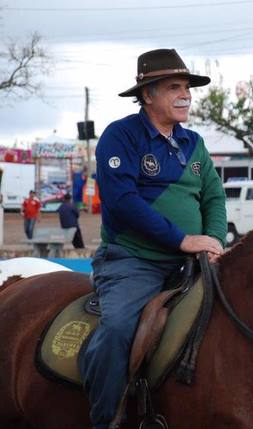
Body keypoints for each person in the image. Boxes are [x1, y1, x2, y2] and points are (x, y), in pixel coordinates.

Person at [78, 48, 227, 429]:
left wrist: (211, 240)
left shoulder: (194, 143)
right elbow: (123, 202)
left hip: (192, 263)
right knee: (115, 331)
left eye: (188, 88)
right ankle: (105, 420)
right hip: (132, 261)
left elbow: (213, 196)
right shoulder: (120, 136)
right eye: (174, 87)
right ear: (147, 95)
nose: (186, 95)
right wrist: (182, 240)